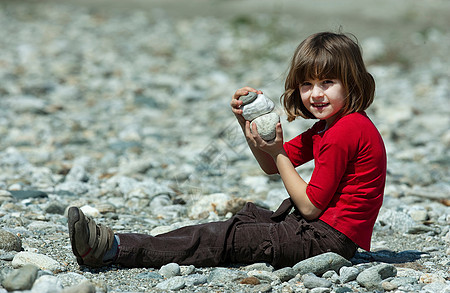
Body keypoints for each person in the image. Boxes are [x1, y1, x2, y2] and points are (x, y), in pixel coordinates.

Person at [68, 31, 386, 269]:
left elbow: (311, 207)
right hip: (317, 232)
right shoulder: (331, 126)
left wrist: (277, 151)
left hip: (325, 240)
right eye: (306, 85)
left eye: (327, 83)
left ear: (352, 83)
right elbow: (272, 165)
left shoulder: (344, 131)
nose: (315, 94)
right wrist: (245, 124)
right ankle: (123, 242)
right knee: (239, 221)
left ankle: (112, 249)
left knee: (222, 238)